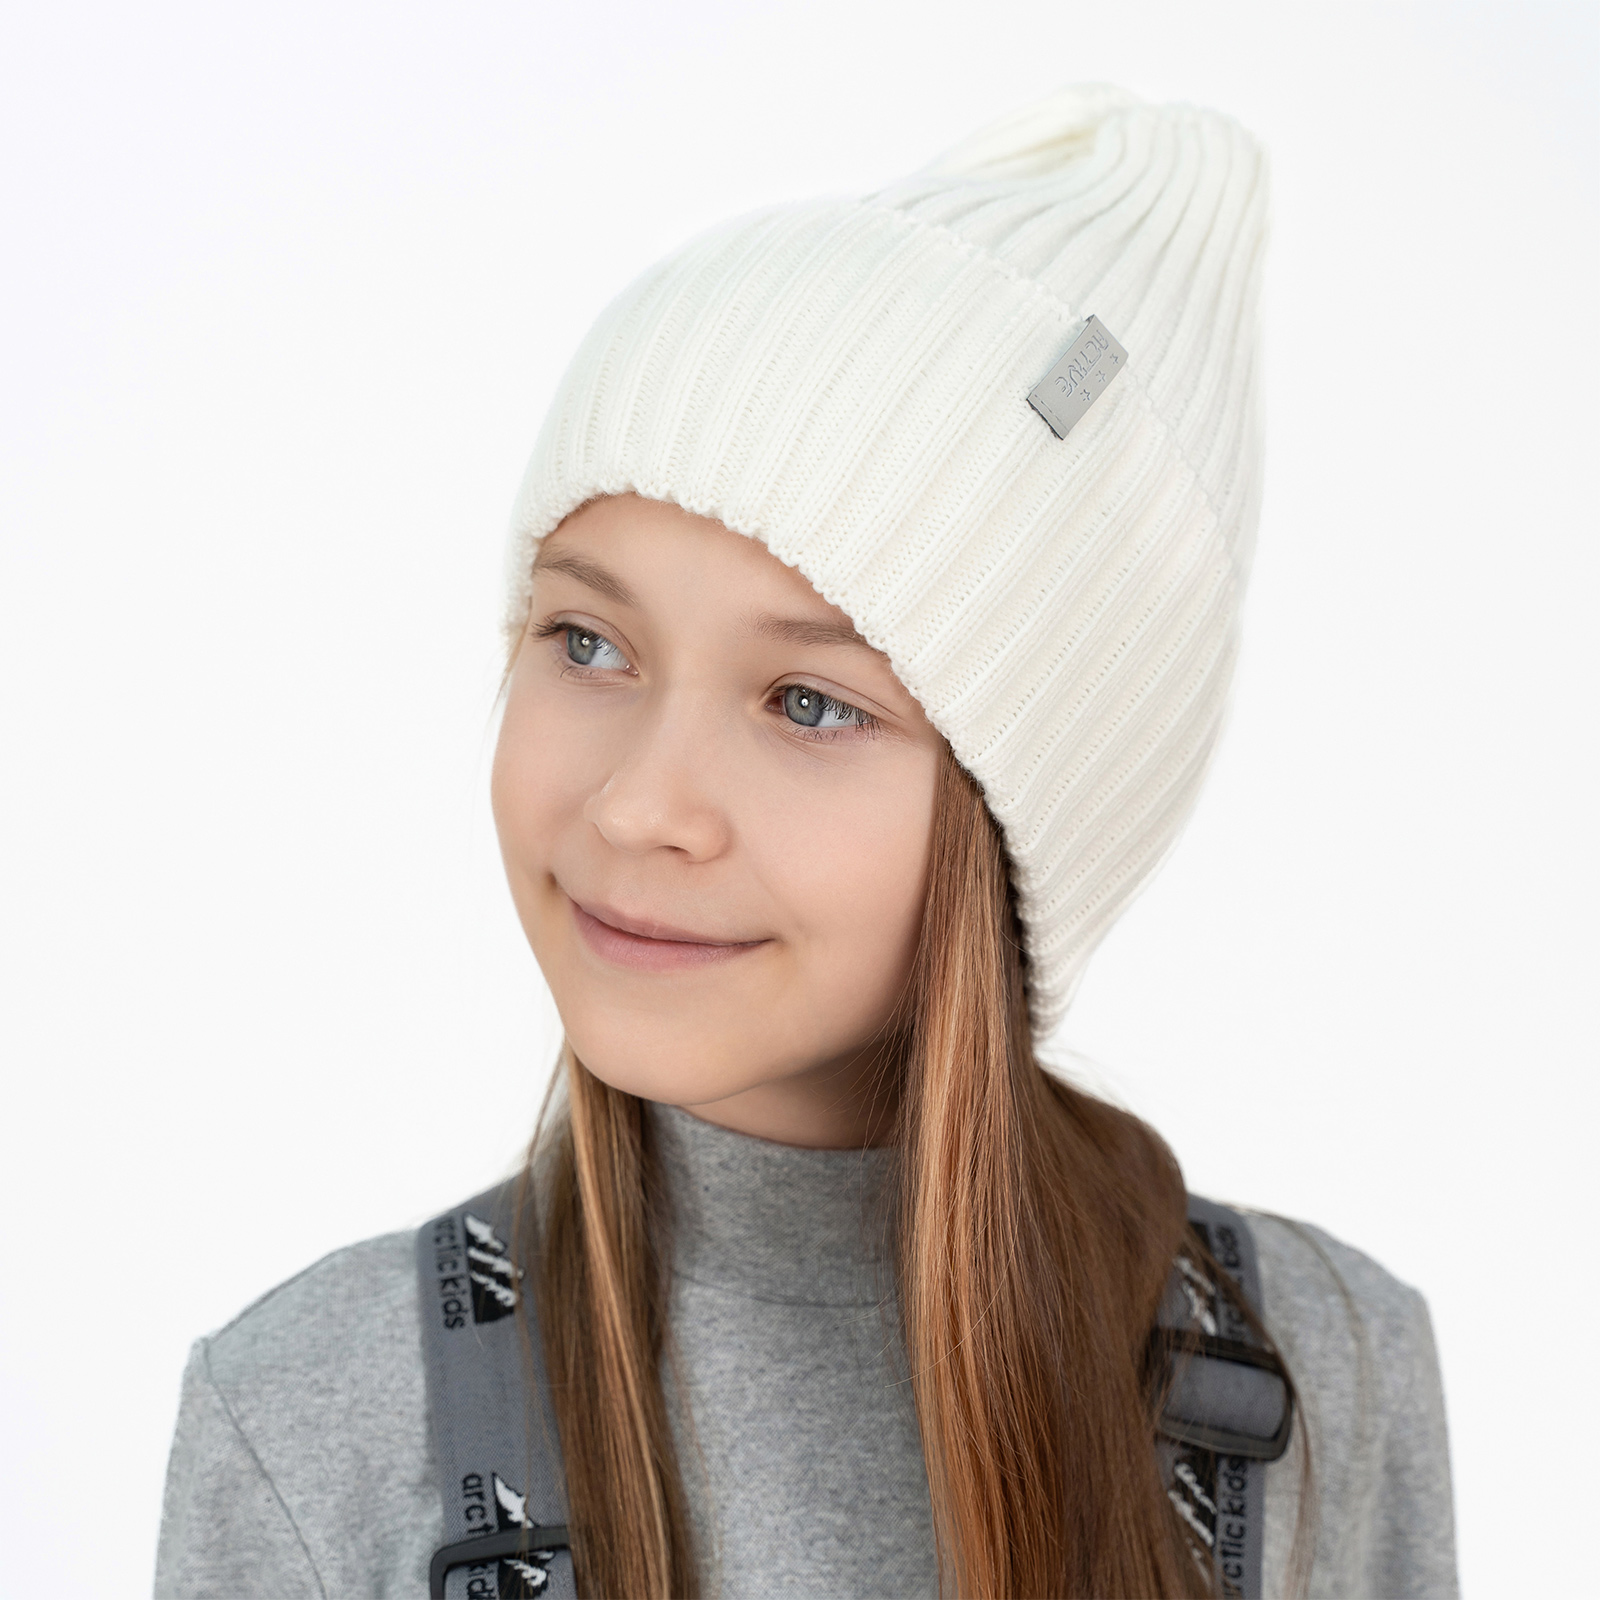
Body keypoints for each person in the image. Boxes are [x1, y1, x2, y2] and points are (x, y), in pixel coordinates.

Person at [153, 83, 1458, 1599]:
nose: (640, 805)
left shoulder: (1318, 1381)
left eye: (810, 703)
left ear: (1026, 819)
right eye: (587, 641)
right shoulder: (315, 1421)